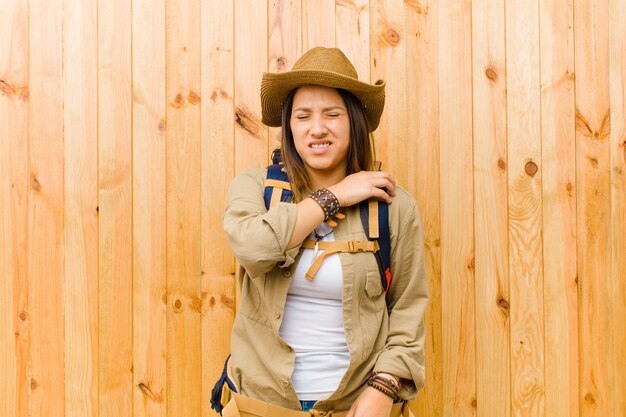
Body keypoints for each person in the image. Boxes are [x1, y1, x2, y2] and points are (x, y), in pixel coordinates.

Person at [220, 47, 428, 417]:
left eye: (332, 114)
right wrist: (334, 196)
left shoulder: (394, 208)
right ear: (289, 127)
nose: (317, 128)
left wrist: (383, 389)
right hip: (261, 405)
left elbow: (408, 311)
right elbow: (254, 248)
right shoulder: (254, 188)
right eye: (303, 116)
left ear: (354, 122)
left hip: (357, 406)